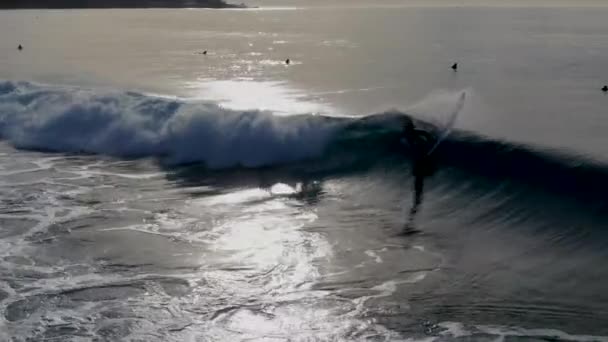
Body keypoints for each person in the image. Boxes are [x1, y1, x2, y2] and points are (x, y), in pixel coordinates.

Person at [401, 118, 437, 232]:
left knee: (418, 200)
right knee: (417, 200)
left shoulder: (412, 134)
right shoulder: (410, 137)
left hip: (419, 166)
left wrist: (428, 137)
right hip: (419, 167)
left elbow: (422, 134)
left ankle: (409, 224)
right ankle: (408, 224)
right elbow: (418, 147)